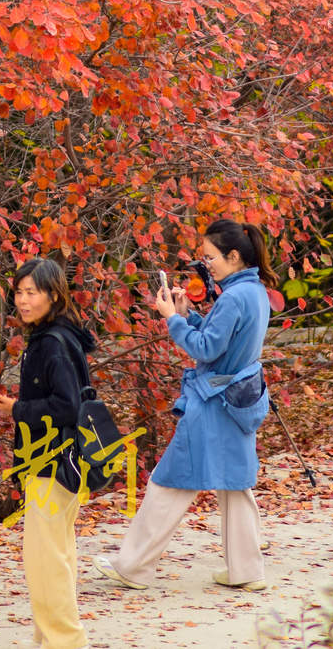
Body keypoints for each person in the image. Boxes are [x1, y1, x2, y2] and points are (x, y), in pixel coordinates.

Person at [93, 219, 274, 593]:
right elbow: (223, 339)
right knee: (235, 484)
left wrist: (173, 320)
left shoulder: (234, 297)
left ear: (234, 256)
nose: (205, 264)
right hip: (239, 399)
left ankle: (133, 566)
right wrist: (189, 315)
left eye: (210, 257)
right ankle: (247, 569)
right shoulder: (254, 291)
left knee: (168, 482)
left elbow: (206, 349)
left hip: (213, 403)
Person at [0, 258, 94, 649]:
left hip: (52, 463)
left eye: (31, 292)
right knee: (56, 554)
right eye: (18, 292)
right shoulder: (59, 336)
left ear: (53, 294)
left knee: (45, 561)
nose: (22, 300)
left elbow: (67, 406)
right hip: (62, 461)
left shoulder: (52, 343)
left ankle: (65, 641)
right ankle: (49, 639)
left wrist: (17, 411)